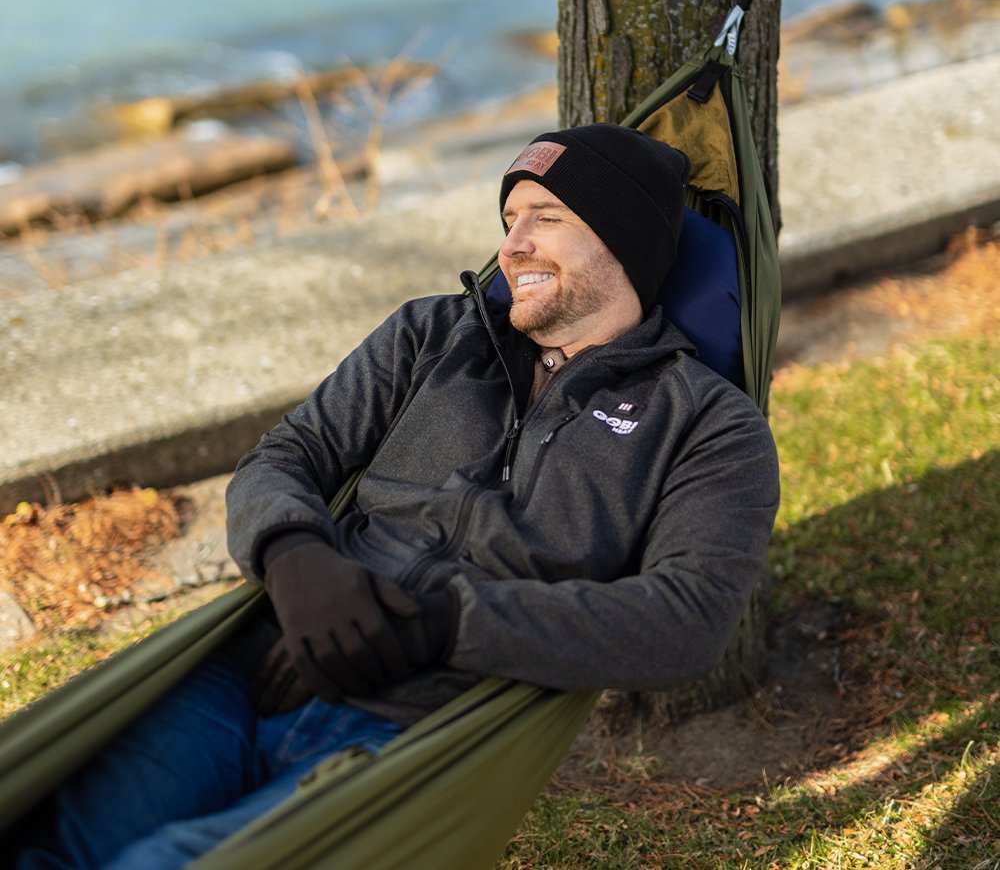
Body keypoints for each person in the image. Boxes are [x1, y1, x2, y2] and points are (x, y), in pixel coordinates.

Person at [12, 124, 779, 868]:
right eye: (509, 220)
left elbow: (687, 619)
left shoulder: (705, 425)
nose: (511, 249)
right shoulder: (434, 336)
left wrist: (437, 627)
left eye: (545, 220)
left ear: (624, 242)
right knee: (61, 841)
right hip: (259, 663)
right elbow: (287, 455)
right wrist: (296, 558)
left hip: (414, 734)